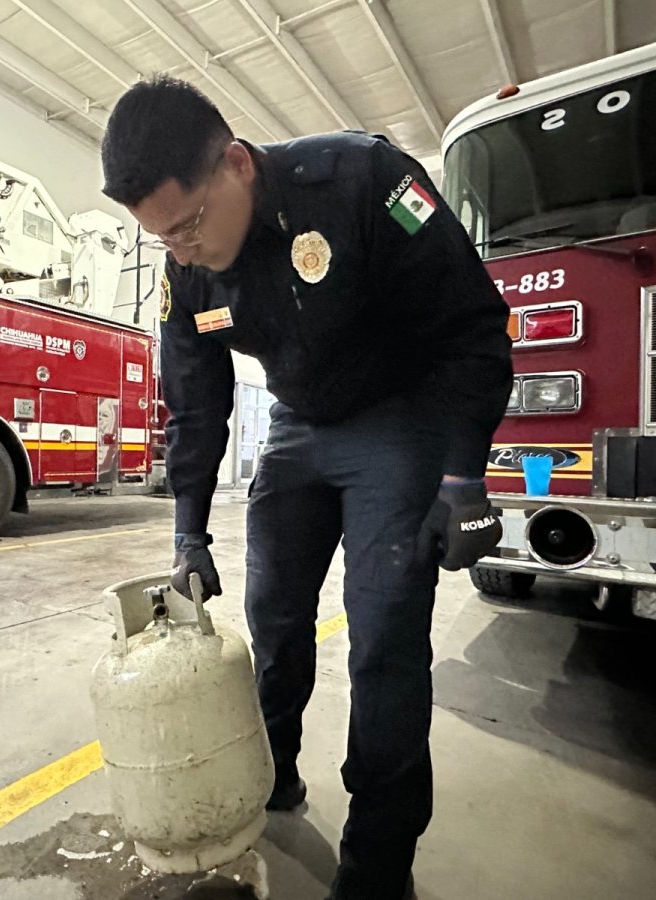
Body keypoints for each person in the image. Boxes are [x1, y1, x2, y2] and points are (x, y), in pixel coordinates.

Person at [100, 76, 512, 900]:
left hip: (393, 415)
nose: (181, 250)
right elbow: (196, 403)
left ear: (236, 165)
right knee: (274, 619)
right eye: (162, 238)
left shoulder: (363, 182)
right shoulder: (186, 270)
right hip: (298, 422)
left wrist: (462, 474)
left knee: (384, 636)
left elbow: (473, 328)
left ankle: (378, 860)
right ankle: (272, 774)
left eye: (188, 226)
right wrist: (188, 532)